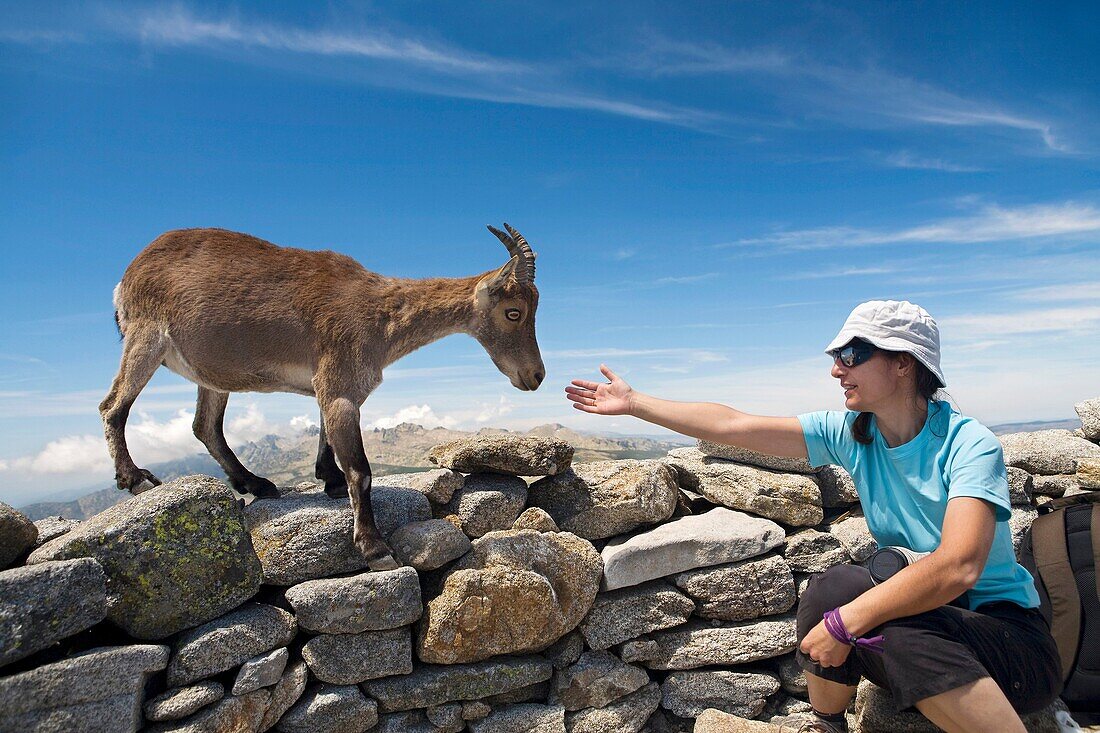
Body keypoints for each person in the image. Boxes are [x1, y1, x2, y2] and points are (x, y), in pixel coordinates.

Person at [565, 300, 1061, 733]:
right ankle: (829, 723)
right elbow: (734, 425)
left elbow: (959, 566)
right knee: (833, 587)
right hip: (937, 623)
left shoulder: (967, 444)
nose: (836, 369)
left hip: (1009, 641)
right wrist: (635, 404)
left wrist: (848, 625)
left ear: (905, 363)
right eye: (835, 357)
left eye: (852, 355)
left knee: (883, 624)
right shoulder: (853, 433)